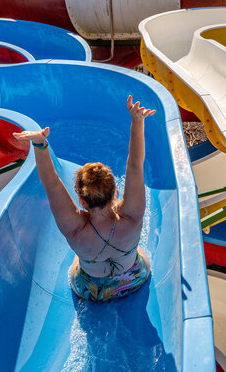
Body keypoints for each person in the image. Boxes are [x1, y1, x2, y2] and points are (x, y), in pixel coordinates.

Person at [14, 96, 156, 302]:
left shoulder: (74, 228)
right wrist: (137, 121)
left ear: (82, 200)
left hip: (91, 291)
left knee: (81, 260)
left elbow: (51, 183)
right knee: (134, 252)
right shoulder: (132, 216)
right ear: (114, 192)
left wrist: (40, 143)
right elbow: (135, 164)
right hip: (133, 279)